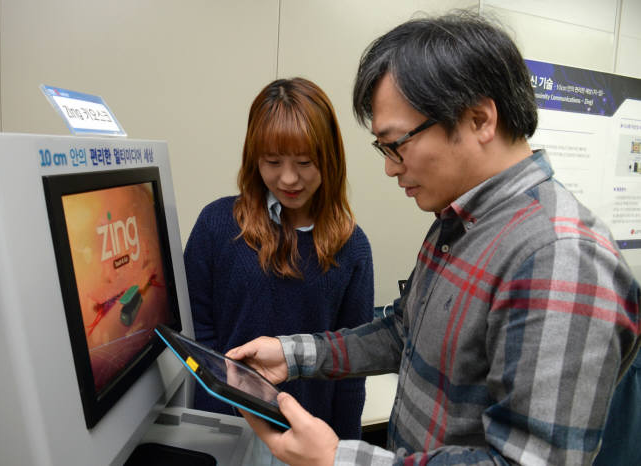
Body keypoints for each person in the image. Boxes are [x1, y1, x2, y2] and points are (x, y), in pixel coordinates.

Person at [226, 11, 641, 466]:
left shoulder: (562, 257)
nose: (390, 167)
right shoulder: (459, 221)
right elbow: (406, 330)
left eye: (397, 144)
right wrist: (292, 355)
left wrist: (336, 459)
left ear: (479, 118)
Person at [183, 77, 374, 463]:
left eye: (305, 163)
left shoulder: (351, 247)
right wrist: (219, 415)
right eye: (272, 162)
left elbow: (352, 365)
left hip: (308, 441)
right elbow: (195, 338)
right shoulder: (217, 224)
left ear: (330, 158)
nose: (288, 179)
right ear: (254, 158)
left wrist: (342, 452)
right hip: (225, 433)